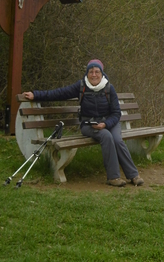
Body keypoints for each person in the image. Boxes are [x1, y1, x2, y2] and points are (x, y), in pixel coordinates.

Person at [22, 59, 144, 187]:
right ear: (87, 73)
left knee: (117, 140)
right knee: (106, 136)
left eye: (97, 71)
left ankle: (133, 175)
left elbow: (116, 113)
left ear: (102, 73)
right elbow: (59, 93)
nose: (94, 74)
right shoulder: (81, 86)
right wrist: (35, 95)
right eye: (91, 71)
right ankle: (113, 177)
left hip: (109, 123)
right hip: (88, 125)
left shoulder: (109, 87)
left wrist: (106, 124)